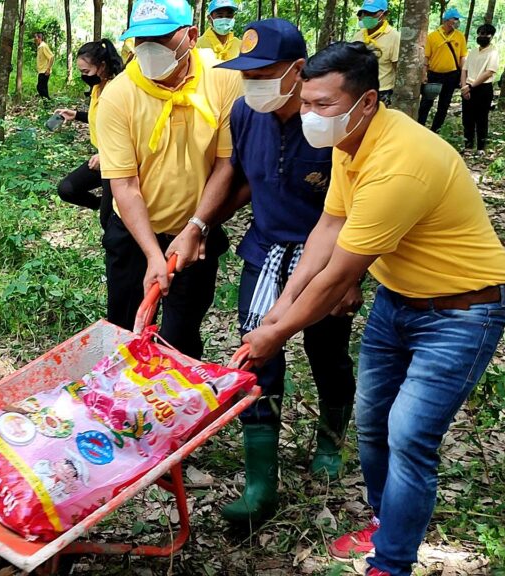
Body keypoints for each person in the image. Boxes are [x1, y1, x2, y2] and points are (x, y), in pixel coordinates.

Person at [242, 42, 505, 576]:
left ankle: (391, 563)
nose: (310, 115)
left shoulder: (399, 164)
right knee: (373, 424)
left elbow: (338, 276)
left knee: (409, 435)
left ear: (366, 101)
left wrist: (277, 333)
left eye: (323, 104)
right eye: (306, 102)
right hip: (397, 301)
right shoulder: (349, 144)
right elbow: (328, 227)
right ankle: (385, 522)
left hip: (462, 312)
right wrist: (281, 305)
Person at [168, 18, 359, 525]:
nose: (251, 84)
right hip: (265, 250)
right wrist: (199, 225)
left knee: (326, 351)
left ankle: (331, 440)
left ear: (298, 70)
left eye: (263, 74)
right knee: (256, 353)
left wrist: (351, 278)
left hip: (328, 257)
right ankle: (261, 484)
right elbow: (238, 171)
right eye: (245, 75)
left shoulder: (330, 122)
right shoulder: (246, 112)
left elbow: (363, 205)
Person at [95, 0, 244, 359]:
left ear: (191, 36)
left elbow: (226, 163)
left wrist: (197, 227)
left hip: (196, 233)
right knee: (125, 327)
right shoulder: (118, 96)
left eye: (161, 39)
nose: (149, 49)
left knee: (181, 335)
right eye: (141, 40)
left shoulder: (224, 78)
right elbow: (125, 185)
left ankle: (177, 390)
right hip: (134, 233)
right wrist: (152, 254)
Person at [53, 40, 125, 228]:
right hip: (102, 158)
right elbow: (100, 118)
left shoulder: (117, 90)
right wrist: (76, 115)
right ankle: (108, 207)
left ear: (102, 66)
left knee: (106, 222)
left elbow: (129, 129)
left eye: (86, 72)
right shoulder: (97, 87)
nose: (84, 76)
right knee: (67, 189)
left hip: (117, 160)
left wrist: (106, 154)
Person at [417, 7, 467, 131]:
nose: (457, 21)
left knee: (444, 105)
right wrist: (424, 74)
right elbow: (426, 57)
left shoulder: (460, 36)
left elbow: (462, 57)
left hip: (452, 75)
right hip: (434, 75)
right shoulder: (432, 36)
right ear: (447, 20)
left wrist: (463, 77)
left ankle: (435, 130)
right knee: (426, 103)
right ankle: (419, 128)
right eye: (455, 19)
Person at [350, 0, 399, 105]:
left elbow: (397, 68)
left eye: (372, 13)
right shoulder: (358, 35)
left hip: (382, 91)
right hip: (359, 89)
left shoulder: (394, 37)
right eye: (365, 13)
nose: (367, 17)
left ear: (384, 14)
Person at [460, 24, 498, 153]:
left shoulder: (493, 52)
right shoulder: (473, 52)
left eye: (486, 34)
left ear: (491, 36)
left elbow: (489, 72)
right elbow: (464, 69)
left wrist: (471, 86)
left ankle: (481, 147)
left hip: (483, 88)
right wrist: (464, 87)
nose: (482, 36)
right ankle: (468, 145)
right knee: (467, 118)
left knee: (481, 118)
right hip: (467, 87)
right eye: (481, 33)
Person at [35, 32, 56, 100]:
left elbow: (51, 57)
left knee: (40, 87)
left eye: (35, 37)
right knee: (43, 88)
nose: (34, 39)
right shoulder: (40, 47)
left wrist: (48, 69)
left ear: (39, 38)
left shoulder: (43, 46)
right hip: (41, 70)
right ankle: (47, 102)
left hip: (44, 71)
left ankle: (47, 101)